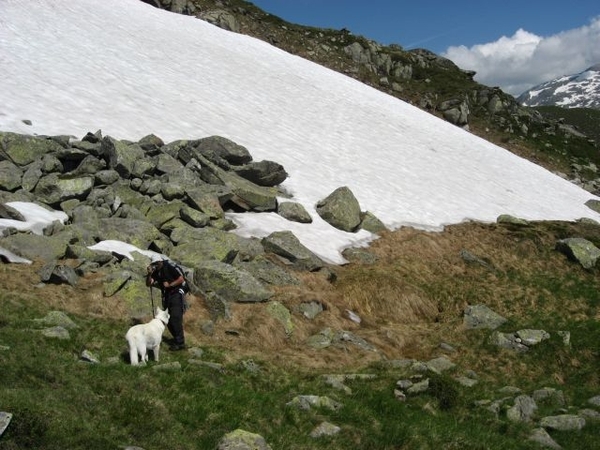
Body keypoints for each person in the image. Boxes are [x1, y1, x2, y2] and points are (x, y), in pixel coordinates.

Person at [146, 254, 186, 351]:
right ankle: (177, 340)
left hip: (177, 293)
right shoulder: (156, 271)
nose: (155, 265)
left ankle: (180, 343)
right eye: (153, 264)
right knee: (167, 320)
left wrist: (169, 285)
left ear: (160, 261)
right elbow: (148, 284)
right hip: (167, 296)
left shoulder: (169, 267)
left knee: (175, 318)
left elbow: (181, 279)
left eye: (156, 263)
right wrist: (149, 274)